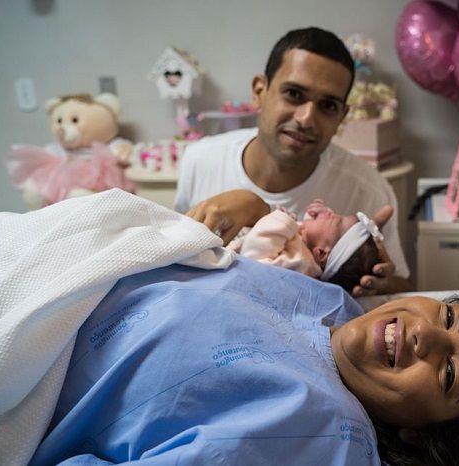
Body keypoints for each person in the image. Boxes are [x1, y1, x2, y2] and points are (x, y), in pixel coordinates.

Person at [28, 255, 459, 465]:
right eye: (451, 316)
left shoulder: (321, 432)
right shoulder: (332, 302)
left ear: (419, 433)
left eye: (452, 373)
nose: (427, 335)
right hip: (46, 274)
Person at [174, 26, 411, 297]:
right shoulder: (200, 161)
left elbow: (405, 288)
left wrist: (380, 283)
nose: (306, 118)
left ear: (342, 117)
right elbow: (176, 263)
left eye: (328, 106)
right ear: (259, 91)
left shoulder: (368, 190)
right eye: (294, 94)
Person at [227, 198, 382, 292]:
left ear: (321, 254)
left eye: (335, 219)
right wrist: (317, 214)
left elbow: (255, 259)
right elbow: (311, 230)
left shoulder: (300, 264)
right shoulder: (307, 247)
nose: (330, 212)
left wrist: (282, 222)